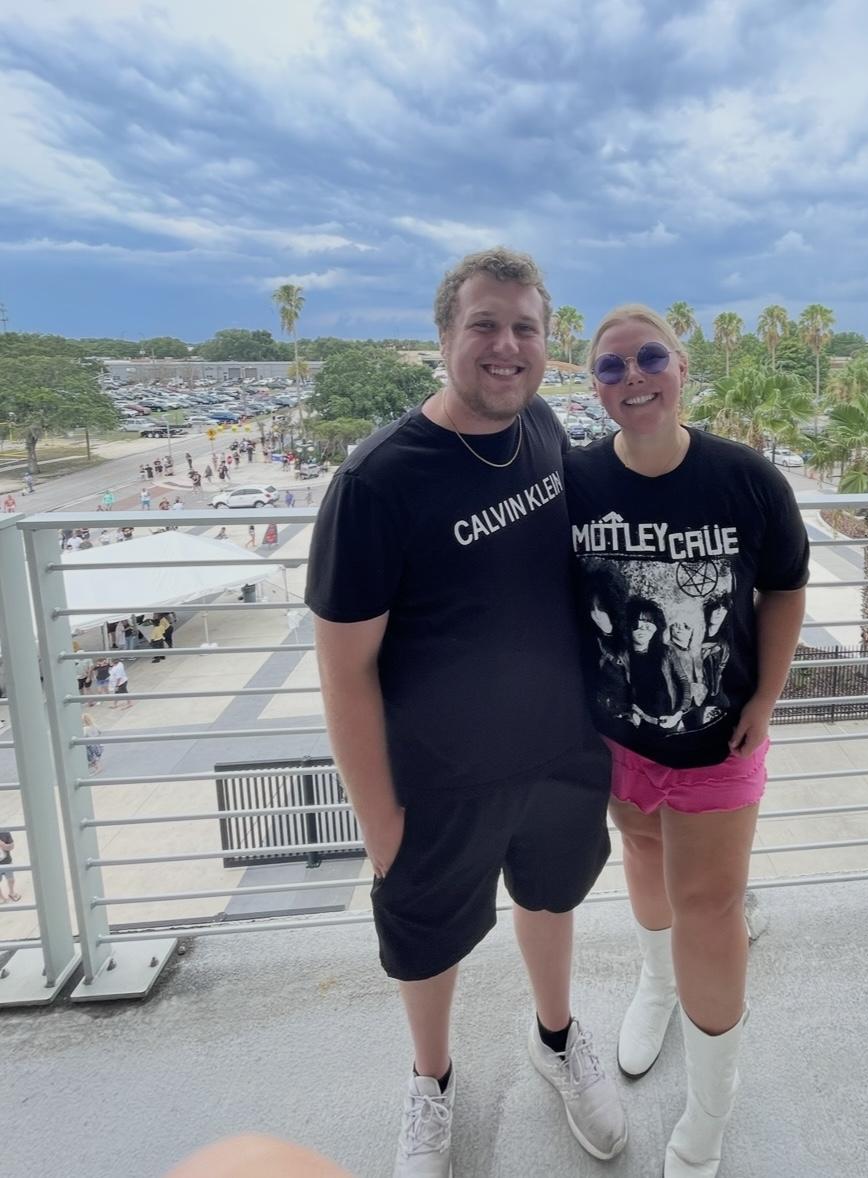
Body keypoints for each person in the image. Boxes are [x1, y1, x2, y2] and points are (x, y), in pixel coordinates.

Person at [306, 247, 626, 1175]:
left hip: (560, 752)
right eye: (485, 324)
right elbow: (344, 672)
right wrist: (380, 822)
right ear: (445, 334)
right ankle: (431, 1081)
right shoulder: (378, 481)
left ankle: (557, 1038)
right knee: (426, 940)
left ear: (546, 343)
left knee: (552, 897)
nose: (506, 345)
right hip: (440, 777)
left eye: (525, 327)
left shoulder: (544, 431)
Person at [566, 304, 808, 1178]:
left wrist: (766, 698)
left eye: (650, 358)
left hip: (718, 746)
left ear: (681, 368)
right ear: (595, 387)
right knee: (640, 854)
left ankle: (711, 1105)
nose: (633, 377)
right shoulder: (575, 482)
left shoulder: (745, 479)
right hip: (618, 741)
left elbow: (784, 589)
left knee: (708, 908)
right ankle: (656, 983)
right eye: (611, 367)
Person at [0, 829, 20, 902]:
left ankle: (11, 893)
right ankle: (1, 898)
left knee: (11, 879)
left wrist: (3, 845)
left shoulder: (5, 832)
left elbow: (12, 846)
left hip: (7, 861)